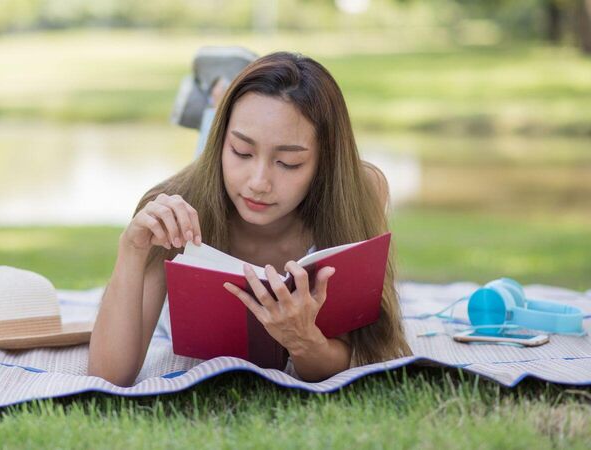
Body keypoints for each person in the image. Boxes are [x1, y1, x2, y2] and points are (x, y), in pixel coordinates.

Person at [88, 51, 411, 387]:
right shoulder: (175, 206)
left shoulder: (360, 190)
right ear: (223, 143)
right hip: (207, 182)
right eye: (241, 151)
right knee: (210, 171)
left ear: (325, 162)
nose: (259, 183)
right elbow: (109, 375)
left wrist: (303, 341)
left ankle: (223, 95)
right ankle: (218, 98)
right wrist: (131, 250)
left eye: (288, 162)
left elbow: (367, 356)